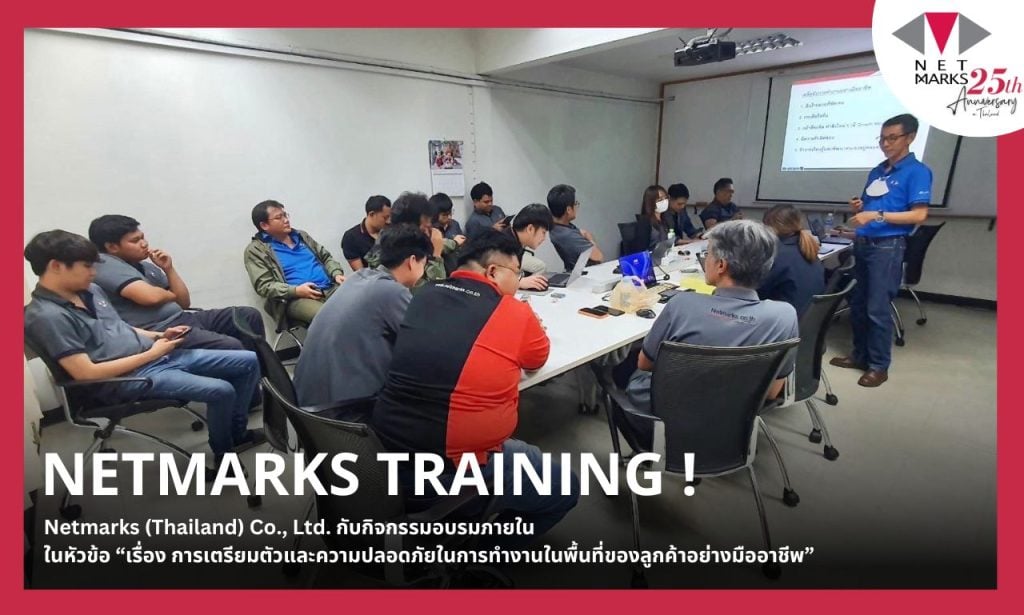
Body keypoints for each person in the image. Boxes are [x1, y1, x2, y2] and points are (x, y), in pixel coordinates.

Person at [373, 230, 578, 547]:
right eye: (517, 273)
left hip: (386, 456)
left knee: (528, 453)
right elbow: (537, 358)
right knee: (566, 487)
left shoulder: (422, 294)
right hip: (451, 472)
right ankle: (484, 550)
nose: (518, 282)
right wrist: (527, 323)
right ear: (493, 271)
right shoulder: (513, 311)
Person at [24, 230, 262, 464]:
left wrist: (160, 335)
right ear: (56, 266)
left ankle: (236, 435)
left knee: (249, 360)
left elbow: (119, 328)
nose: (93, 272)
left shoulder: (89, 291)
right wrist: (152, 353)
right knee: (221, 390)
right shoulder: (47, 316)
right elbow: (86, 373)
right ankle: (225, 454)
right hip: (124, 379)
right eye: (86, 266)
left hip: (153, 357)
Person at [621, 220, 798, 451]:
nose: (706, 260)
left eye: (708, 253)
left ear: (721, 265)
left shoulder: (682, 305)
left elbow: (645, 364)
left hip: (673, 422)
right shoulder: (784, 316)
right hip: (734, 427)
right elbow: (773, 391)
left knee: (623, 372)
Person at [830, 113, 932, 388]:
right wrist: (861, 208)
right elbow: (873, 207)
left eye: (892, 138)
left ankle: (878, 366)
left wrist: (876, 215)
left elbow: (919, 215)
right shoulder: (877, 171)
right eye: (882, 138)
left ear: (910, 138)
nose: (886, 144)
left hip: (887, 247)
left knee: (877, 308)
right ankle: (859, 355)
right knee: (859, 304)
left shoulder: (918, 171)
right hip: (864, 244)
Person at [293, 225, 433, 409]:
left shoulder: (358, 277)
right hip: (343, 410)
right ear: (412, 261)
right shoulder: (391, 291)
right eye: (424, 264)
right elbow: (423, 344)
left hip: (307, 402)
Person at [88, 215, 265, 351]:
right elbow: (150, 297)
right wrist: (169, 294)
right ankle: (253, 387)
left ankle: (267, 381)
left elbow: (183, 302)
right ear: (112, 247)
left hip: (185, 317)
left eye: (142, 237)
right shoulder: (104, 264)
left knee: (247, 315)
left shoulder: (146, 267)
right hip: (161, 329)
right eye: (135, 241)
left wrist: (168, 269)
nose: (144, 244)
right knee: (231, 346)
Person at [243, 200, 346, 327]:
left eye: (285, 215)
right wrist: (296, 291)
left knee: (361, 303)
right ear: (264, 225)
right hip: (295, 299)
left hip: (330, 287)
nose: (286, 220)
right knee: (329, 317)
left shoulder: (301, 236)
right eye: (279, 217)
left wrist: (336, 273)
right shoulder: (256, 250)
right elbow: (264, 286)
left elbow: (325, 257)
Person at [365, 192, 449, 288]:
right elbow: (435, 292)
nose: (428, 231)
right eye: (425, 227)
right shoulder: (400, 257)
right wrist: (436, 256)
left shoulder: (391, 239)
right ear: (410, 228)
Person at [758, 204, 825, 317]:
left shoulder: (775, 254)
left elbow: (755, 293)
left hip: (782, 320)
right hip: (807, 319)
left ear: (769, 226)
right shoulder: (808, 248)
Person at [547, 183, 604, 271]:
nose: (577, 207)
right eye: (575, 204)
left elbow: (581, 232)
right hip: (586, 274)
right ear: (568, 210)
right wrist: (590, 238)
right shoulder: (567, 235)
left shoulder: (556, 225)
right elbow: (598, 257)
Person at [504, 204, 553, 291]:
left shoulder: (516, 241)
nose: (544, 238)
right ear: (530, 229)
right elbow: (490, 278)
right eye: (543, 232)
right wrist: (519, 282)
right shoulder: (502, 244)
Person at [341, 195, 392, 271]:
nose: (388, 221)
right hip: (374, 276)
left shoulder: (391, 230)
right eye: (385, 217)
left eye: (390, 217)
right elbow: (361, 273)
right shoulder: (351, 238)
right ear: (371, 214)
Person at [631, 185, 670, 253]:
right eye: (660, 199)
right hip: (651, 257)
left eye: (666, 198)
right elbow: (641, 250)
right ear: (650, 202)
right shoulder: (644, 222)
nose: (665, 201)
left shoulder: (664, 219)